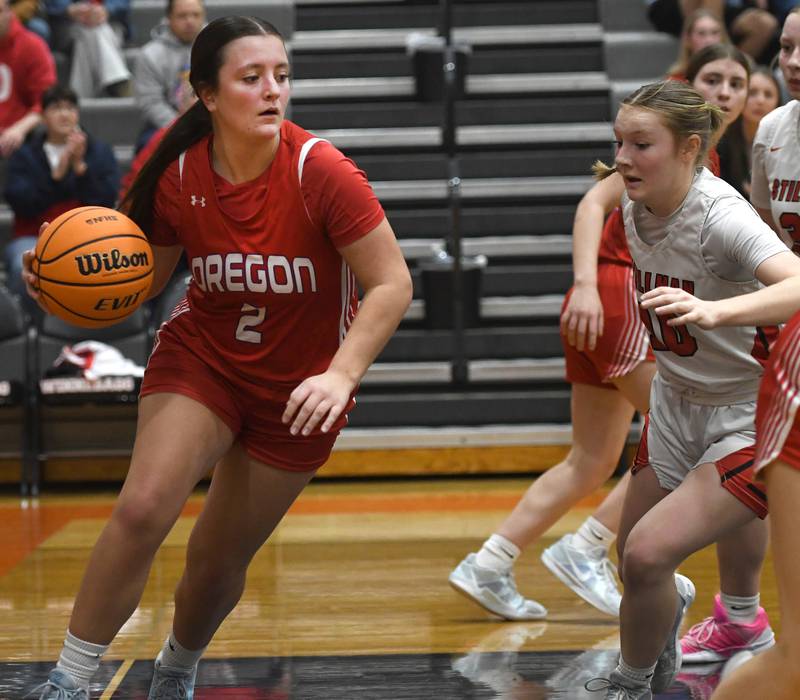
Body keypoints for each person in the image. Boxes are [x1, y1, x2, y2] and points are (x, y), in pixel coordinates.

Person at [24, 15, 412, 700]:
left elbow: (393, 283)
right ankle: (70, 679)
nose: (273, 91)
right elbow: (138, 284)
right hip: (204, 360)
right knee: (143, 508)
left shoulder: (319, 169)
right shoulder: (176, 173)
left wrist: (341, 373)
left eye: (282, 77)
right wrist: (62, 285)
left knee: (215, 558)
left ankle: (177, 667)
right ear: (206, 93)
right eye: (252, 77)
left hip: (302, 387)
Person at [447, 41, 760, 629]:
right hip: (620, 296)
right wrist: (586, 283)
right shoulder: (670, 155)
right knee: (678, 442)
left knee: (591, 458)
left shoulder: (704, 164)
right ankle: (589, 545)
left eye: (735, 84)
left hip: (622, 302)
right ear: (688, 83)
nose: (724, 92)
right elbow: (594, 202)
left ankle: (489, 561)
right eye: (711, 79)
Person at [582, 79, 800, 700]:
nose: (622, 157)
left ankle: (629, 685)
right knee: (633, 556)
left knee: (647, 555)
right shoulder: (634, 199)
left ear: (691, 149)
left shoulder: (721, 217)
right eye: (618, 141)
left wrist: (716, 313)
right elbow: (591, 204)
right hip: (675, 402)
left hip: (746, 413)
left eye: (640, 144)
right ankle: (658, 654)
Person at [3, 84, 118, 317]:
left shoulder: (99, 151)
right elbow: (21, 203)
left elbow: (106, 202)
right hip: (33, 236)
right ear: (43, 117)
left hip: (88, 238)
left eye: (70, 107)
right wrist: (55, 176)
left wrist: (80, 169)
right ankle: (27, 328)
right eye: (56, 108)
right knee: (21, 266)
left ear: (77, 113)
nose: (64, 114)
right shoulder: (25, 155)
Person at [133, 0, 205, 152]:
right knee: (148, 146)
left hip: (211, 119)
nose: (190, 21)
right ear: (168, 18)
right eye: (182, 16)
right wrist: (181, 128)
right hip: (166, 122)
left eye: (196, 15)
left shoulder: (219, 49)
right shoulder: (149, 55)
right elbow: (150, 103)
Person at [0, 0, 55, 157]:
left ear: (10, 12)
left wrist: (19, 129)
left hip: (19, 133)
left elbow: (46, 101)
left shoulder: (32, 46)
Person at [44, 0, 132, 98]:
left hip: (109, 24)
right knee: (90, 32)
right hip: (67, 24)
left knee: (91, 34)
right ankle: (118, 82)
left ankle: (79, 99)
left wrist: (106, 10)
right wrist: (68, 9)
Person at [667, 9, 729, 79]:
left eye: (715, 32)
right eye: (701, 33)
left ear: (723, 37)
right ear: (688, 39)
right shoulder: (675, 79)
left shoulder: (737, 71)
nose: (709, 40)